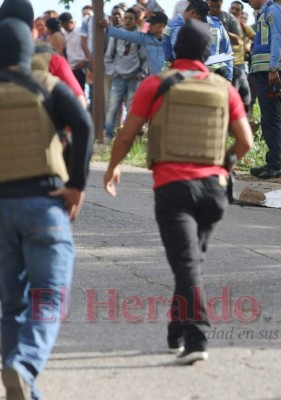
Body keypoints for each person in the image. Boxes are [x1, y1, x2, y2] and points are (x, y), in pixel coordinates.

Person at [103, 20, 253, 365]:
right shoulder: (223, 88)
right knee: (191, 263)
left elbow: (126, 134)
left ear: (174, 49)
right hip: (214, 192)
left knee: (187, 264)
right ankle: (175, 329)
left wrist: (113, 166)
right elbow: (245, 141)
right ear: (208, 53)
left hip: (173, 189)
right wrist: (224, 166)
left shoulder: (155, 85)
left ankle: (196, 337)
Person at [0, 16, 93, 400]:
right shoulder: (49, 85)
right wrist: (76, 186)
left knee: (11, 304)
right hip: (45, 205)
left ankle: (20, 380)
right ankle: (23, 366)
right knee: (48, 297)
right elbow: (84, 126)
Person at [245, 0, 281, 179]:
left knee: (271, 117)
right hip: (264, 73)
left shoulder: (273, 11)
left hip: (271, 74)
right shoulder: (265, 13)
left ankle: (275, 165)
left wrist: (273, 68)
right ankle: (271, 161)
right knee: (267, 118)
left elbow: (278, 38)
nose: (247, 2)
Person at [104, 7, 148, 143]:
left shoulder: (139, 37)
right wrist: (113, 71)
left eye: (131, 18)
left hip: (133, 78)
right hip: (119, 76)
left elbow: (145, 58)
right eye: (126, 18)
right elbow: (108, 56)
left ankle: (127, 138)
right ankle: (108, 135)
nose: (128, 21)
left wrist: (141, 74)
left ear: (136, 20)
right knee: (113, 107)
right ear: (123, 19)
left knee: (131, 109)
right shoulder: (117, 35)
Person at [162, 0, 234, 80]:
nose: (200, 23)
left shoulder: (216, 23)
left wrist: (228, 77)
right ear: (193, 13)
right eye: (199, 20)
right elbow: (180, 56)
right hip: (184, 77)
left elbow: (228, 53)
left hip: (209, 76)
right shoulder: (177, 27)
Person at [99, 11, 168, 75]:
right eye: (150, 23)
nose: (150, 26)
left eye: (153, 24)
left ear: (161, 25)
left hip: (170, 79)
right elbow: (125, 35)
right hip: (153, 79)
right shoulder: (145, 38)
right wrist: (107, 27)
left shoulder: (173, 41)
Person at [59, 12, 89, 89]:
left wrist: (84, 60)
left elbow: (87, 45)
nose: (64, 28)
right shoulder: (64, 33)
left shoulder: (81, 31)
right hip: (71, 67)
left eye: (65, 25)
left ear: (71, 22)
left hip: (82, 65)